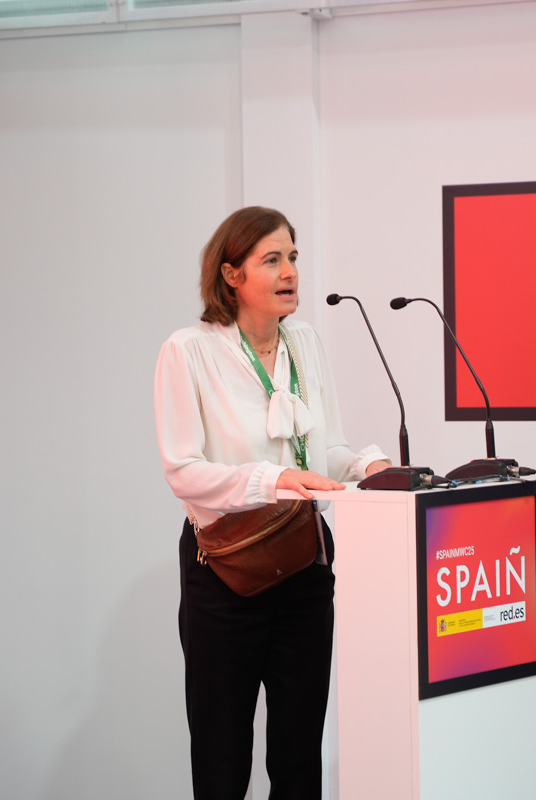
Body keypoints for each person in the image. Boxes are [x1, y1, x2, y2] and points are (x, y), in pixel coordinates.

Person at [154, 206, 391, 799]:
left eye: (293, 258)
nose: (290, 273)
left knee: (299, 756)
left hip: (304, 566)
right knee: (222, 762)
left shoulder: (304, 342)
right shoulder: (189, 351)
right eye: (272, 260)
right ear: (231, 274)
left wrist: (367, 466)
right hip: (226, 572)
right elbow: (183, 471)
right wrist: (274, 480)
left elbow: (323, 449)